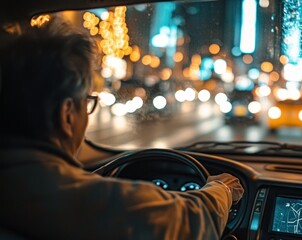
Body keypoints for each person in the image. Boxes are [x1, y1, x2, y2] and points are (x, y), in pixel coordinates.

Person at [0, 18, 244, 239]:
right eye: (88, 102)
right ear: (66, 115)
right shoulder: (88, 200)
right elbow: (192, 221)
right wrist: (222, 189)